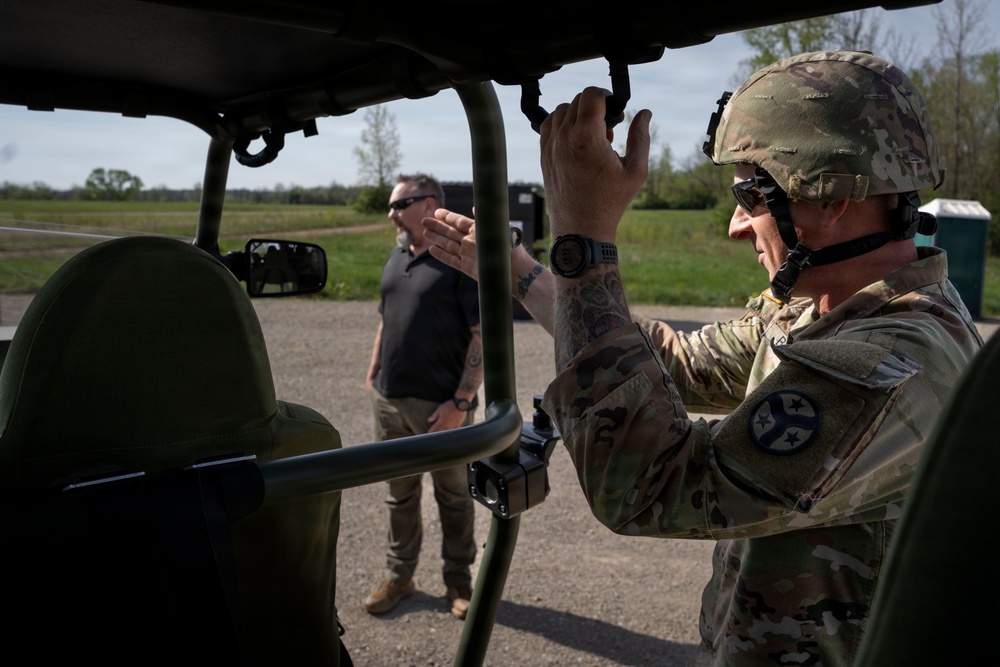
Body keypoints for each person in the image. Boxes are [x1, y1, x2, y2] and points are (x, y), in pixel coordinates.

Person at [423, 51, 984, 665]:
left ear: (830, 196)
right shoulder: (829, 306)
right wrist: (526, 274)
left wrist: (583, 236)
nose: (736, 226)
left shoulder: (888, 364)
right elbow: (673, 363)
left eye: (751, 195)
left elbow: (652, 484)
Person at [363, 173, 483, 620]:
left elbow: (482, 334)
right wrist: (374, 373)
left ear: (428, 204)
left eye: (400, 204)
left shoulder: (457, 260)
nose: (391, 212)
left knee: (453, 497)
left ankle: (459, 583)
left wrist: (462, 402)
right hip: (389, 401)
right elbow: (386, 317)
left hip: (442, 408)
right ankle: (400, 576)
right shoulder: (397, 256)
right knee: (400, 496)